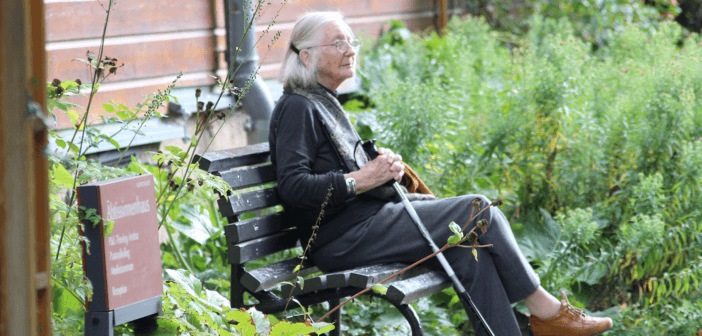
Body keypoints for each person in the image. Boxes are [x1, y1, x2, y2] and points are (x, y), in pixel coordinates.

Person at [268, 11, 613, 336]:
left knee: (468, 250)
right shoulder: (298, 106)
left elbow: (338, 170)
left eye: (352, 42)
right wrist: (365, 177)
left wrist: (382, 169)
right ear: (307, 57)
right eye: (338, 43)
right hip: (342, 239)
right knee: (479, 209)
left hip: (365, 225)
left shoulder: (321, 100)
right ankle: (547, 312)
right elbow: (293, 186)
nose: (350, 50)